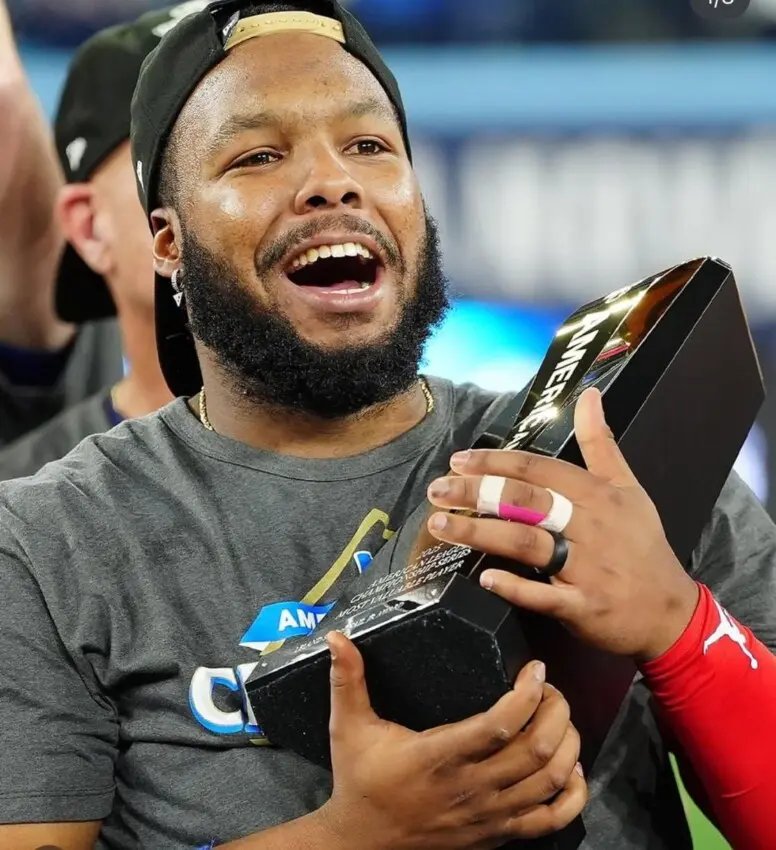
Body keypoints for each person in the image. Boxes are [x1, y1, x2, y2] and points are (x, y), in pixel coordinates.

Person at [0, 2, 774, 849]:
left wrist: (678, 626)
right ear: (166, 242)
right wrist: (351, 836)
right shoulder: (48, 543)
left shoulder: (601, 460)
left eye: (369, 145)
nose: (333, 181)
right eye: (258, 156)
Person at [0, 4, 209, 475]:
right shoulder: (27, 495)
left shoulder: (394, 469)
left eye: (361, 144)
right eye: (187, 150)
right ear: (90, 225)